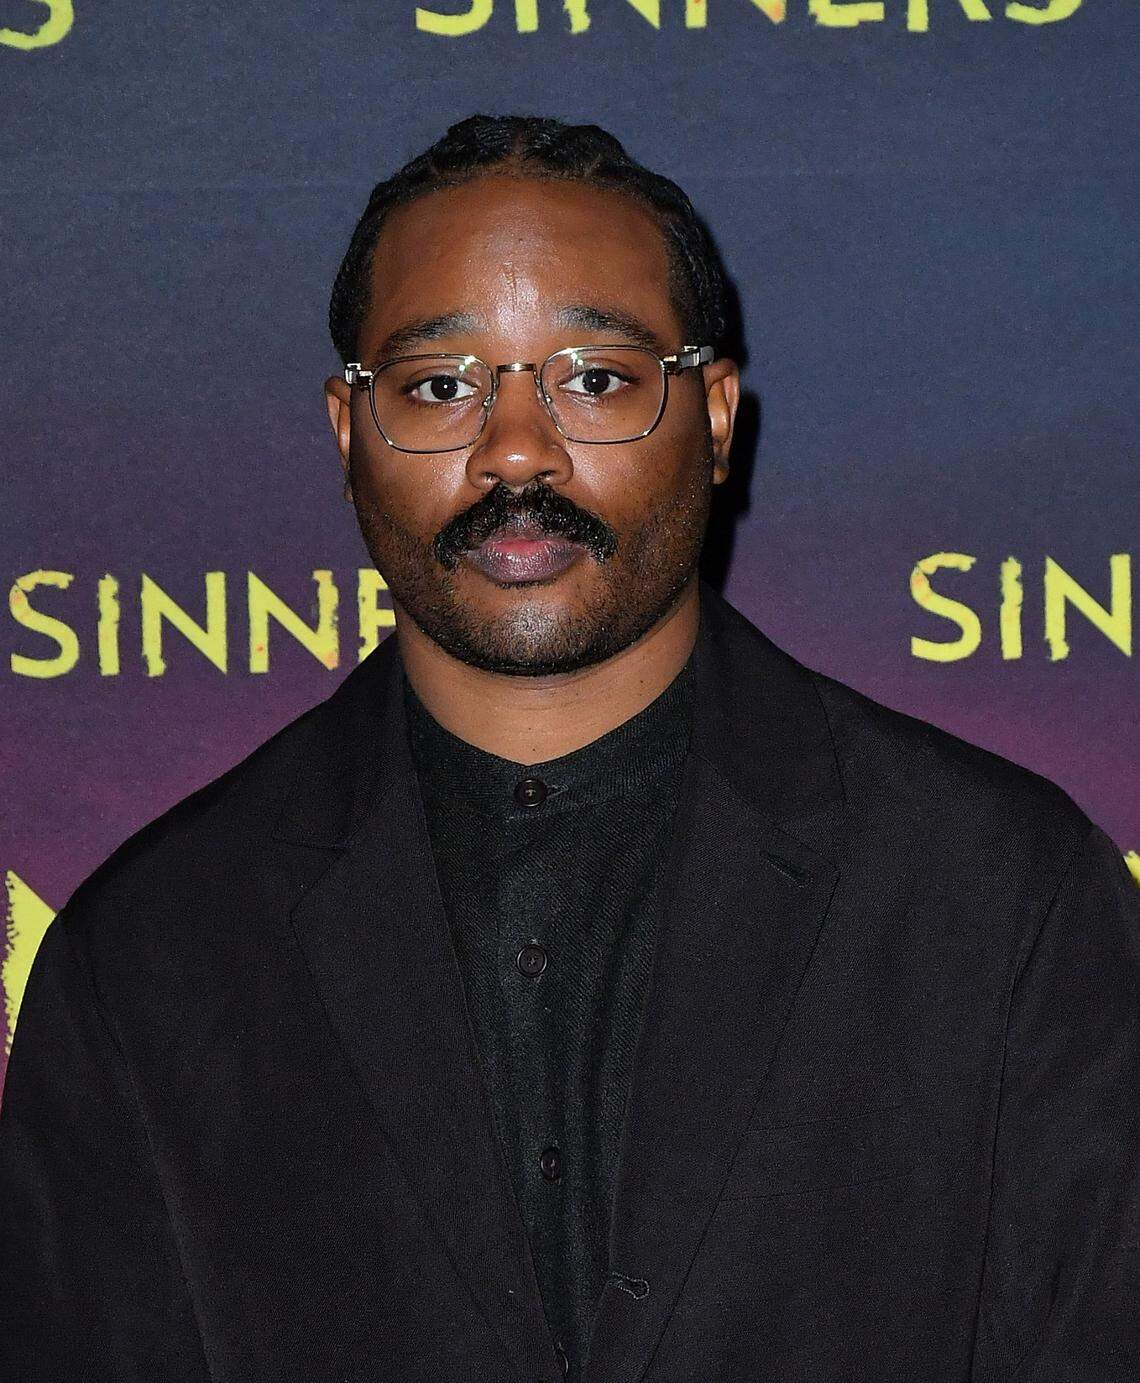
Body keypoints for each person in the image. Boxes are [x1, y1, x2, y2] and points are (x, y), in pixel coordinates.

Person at [1, 114, 1137, 1383]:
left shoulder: (999, 897)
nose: (516, 451)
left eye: (594, 377)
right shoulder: (153, 955)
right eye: (440, 387)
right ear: (346, 431)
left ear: (711, 415)